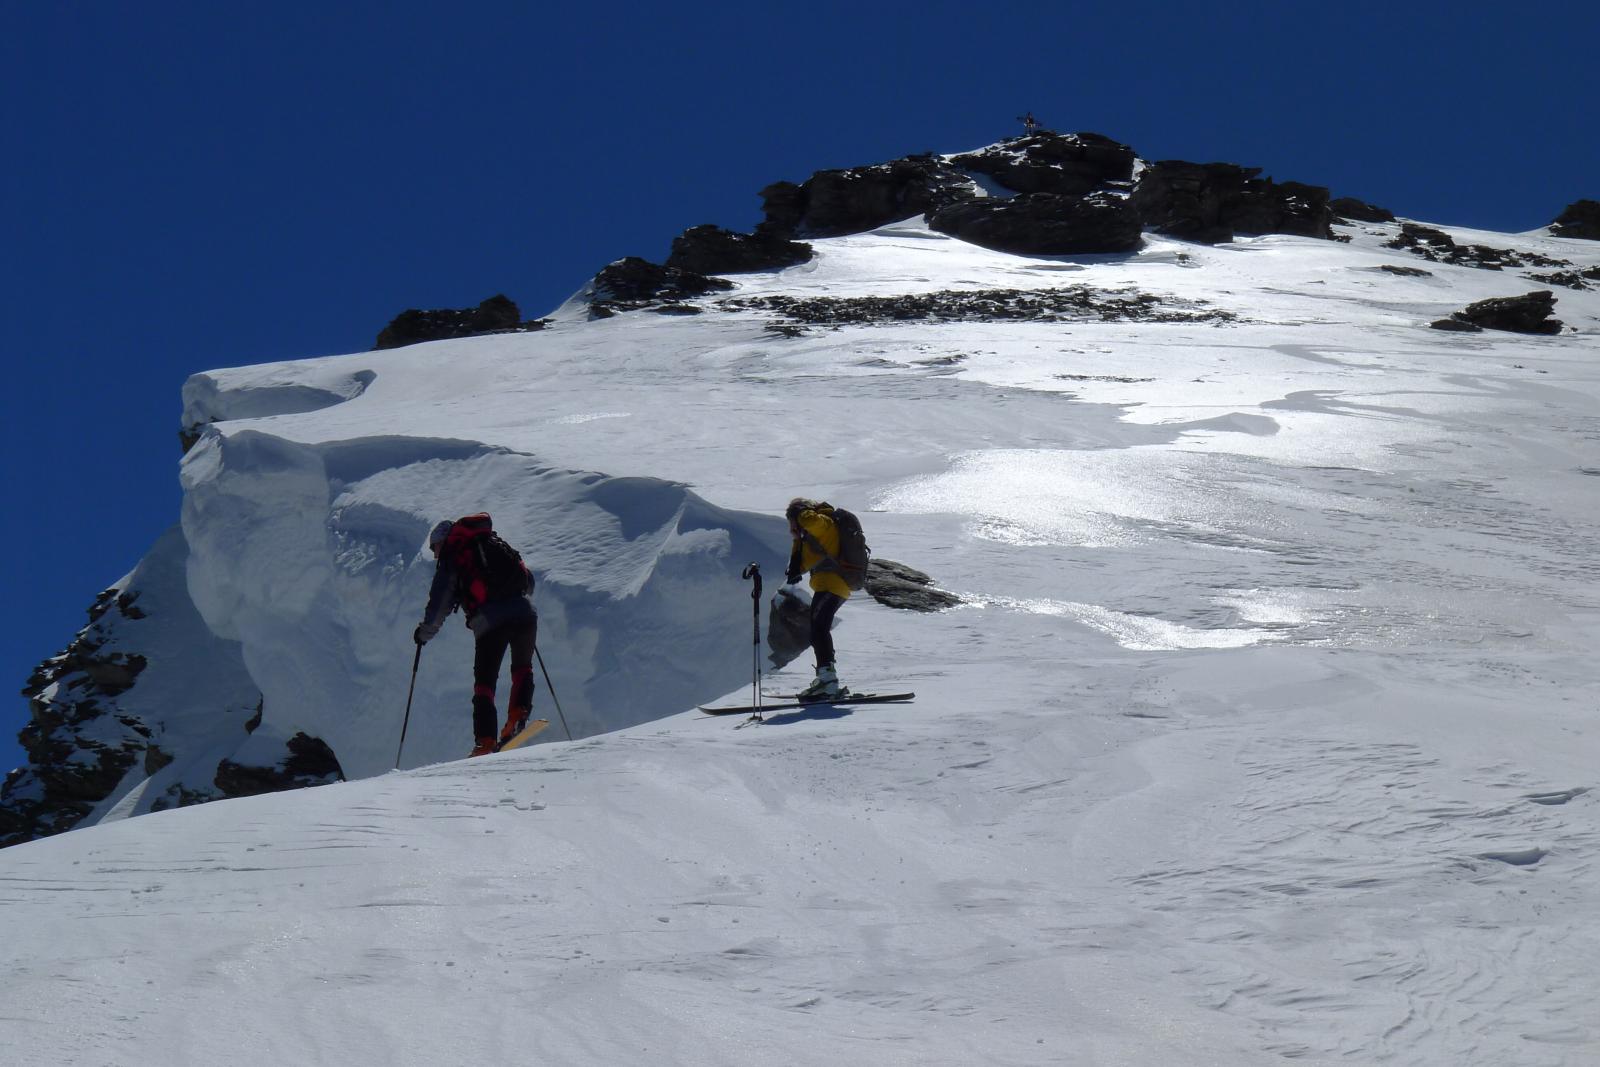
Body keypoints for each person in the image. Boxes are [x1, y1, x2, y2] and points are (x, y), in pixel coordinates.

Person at [414, 513, 537, 757]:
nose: (436, 554)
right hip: (525, 614)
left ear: (443, 541)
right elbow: (528, 582)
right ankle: (518, 715)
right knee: (522, 667)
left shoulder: (454, 558)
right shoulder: (493, 545)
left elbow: (439, 604)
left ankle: (485, 741)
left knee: (484, 684)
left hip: (491, 622)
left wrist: (423, 634)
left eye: (435, 548)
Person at [784, 498, 852, 701]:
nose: (792, 528)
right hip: (829, 584)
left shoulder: (824, 522)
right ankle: (825, 678)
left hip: (832, 584)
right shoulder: (815, 533)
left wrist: (800, 512)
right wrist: (797, 538)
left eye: (791, 523)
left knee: (818, 630)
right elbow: (805, 562)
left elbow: (813, 522)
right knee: (817, 630)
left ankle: (828, 681)